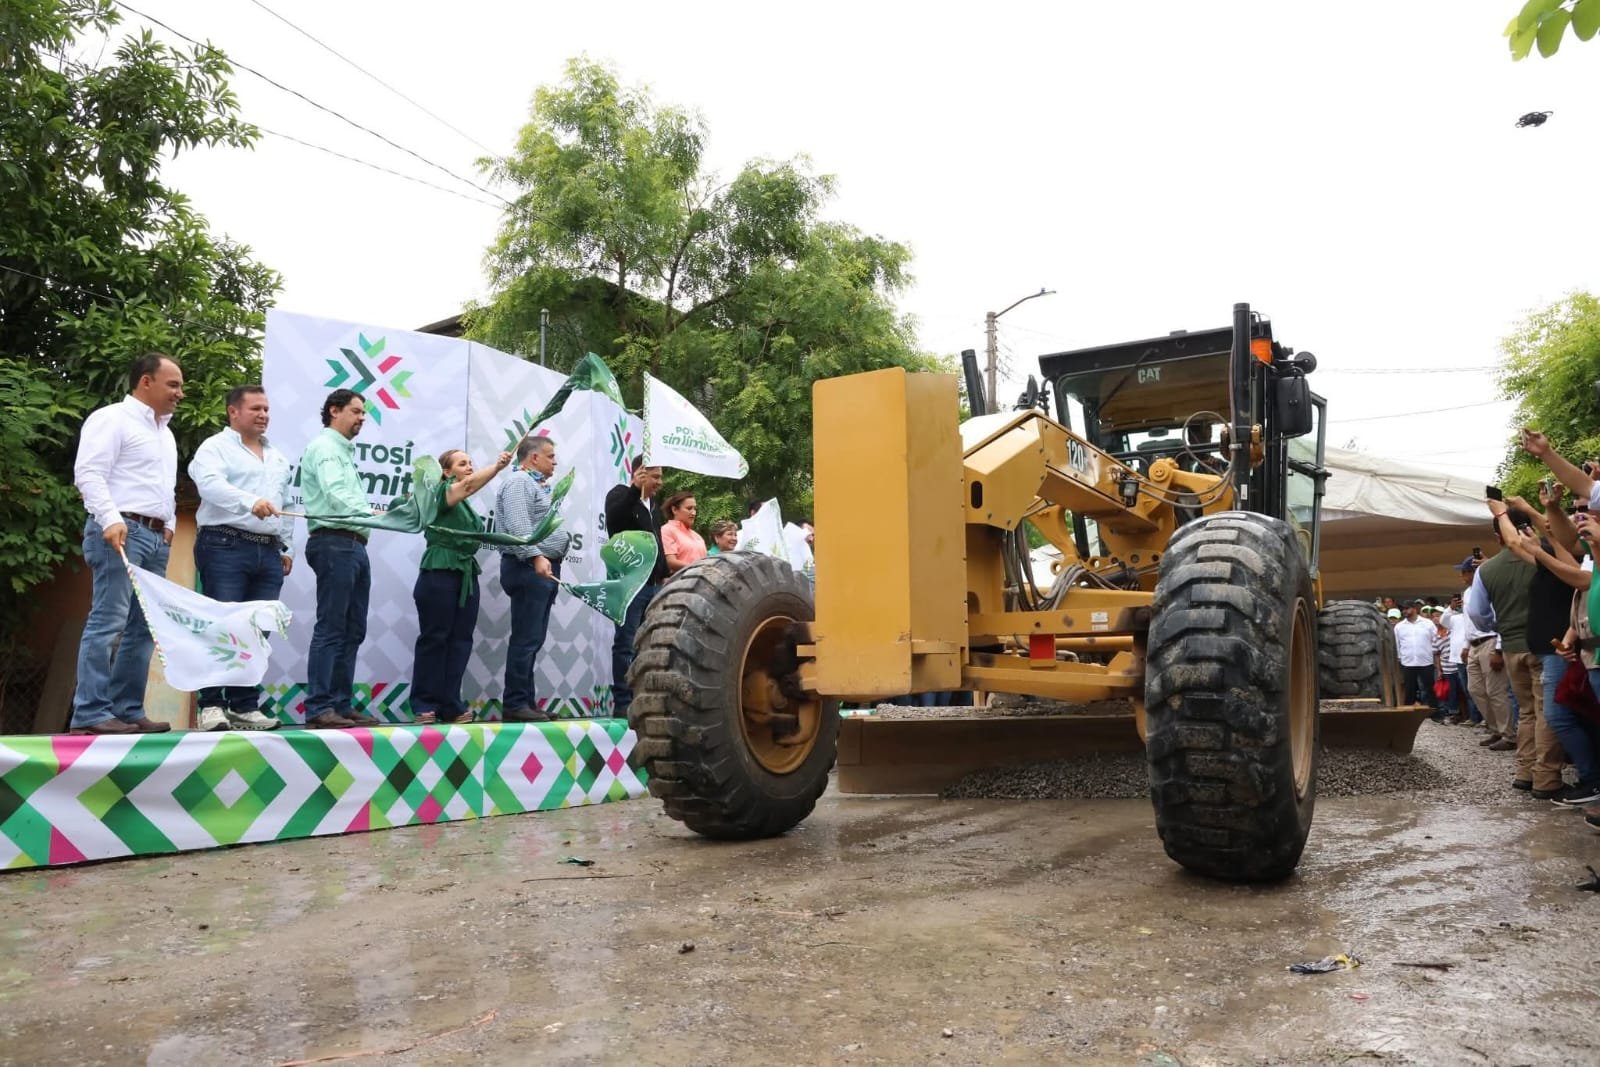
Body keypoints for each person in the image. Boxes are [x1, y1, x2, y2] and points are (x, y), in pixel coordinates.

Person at [67, 353, 184, 735]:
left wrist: (167, 526)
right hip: (120, 530)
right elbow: (89, 472)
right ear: (145, 382)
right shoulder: (111, 418)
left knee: (143, 627)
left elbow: (162, 487)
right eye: (173, 384)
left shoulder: (165, 433)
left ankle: (127, 709)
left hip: (155, 537)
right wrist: (112, 518)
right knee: (109, 622)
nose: (180, 393)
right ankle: (90, 712)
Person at [188, 385, 295, 731]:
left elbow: (287, 503)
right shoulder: (215, 447)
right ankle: (211, 705)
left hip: (268, 550)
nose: (263, 415)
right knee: (221, 625)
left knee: (258, 631)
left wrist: (287, 547)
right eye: (255, 409)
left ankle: (245, 706)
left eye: (266, 409)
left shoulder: (277, 456)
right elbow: (208, 485)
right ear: (233, 412)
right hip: (224, 544)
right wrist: (249, 501)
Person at [410, 447, 512, 725]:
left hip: (465, 574)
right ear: (446, 472)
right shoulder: (441, 492)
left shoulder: (465, 503)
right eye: (462, 463)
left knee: (460, 641)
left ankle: (450, 704)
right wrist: (497, 467)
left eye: (471, 462)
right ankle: (424, 704)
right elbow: (467, 485)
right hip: (439, 572)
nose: (469, 467)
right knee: (435, 638)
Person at [300, 389, 380, 730]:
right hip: (335, 542)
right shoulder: (326, 448)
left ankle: (340, 704)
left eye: (363, 412)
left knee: (353, 629)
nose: (362, 418)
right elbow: (336, 495)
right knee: (333, 627)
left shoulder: (343, 452)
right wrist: (376, 514)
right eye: (356, 411)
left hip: (353, 544)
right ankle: (320, 707)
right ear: (335, 411)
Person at [1469, 500, 1558, 795]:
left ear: (1498, 536)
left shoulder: (1486, 570)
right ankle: (1546, 778)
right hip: (1547, 644)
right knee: (1546, 712)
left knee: (1527, 712)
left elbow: (1478, 614)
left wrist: (1500, 628)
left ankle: (1524, 771)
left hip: (1510, 647)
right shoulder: (1547, 555)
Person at [496, 435, 571, 723]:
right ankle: (515, 703)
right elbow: (518, 527)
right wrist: (536, 556)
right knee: (526, 639)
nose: (555, 461)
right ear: (534, 458)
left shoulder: (535, 484)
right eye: (550, 456)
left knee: (534, 638)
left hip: (541, 567)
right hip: (528, 567)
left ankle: (526, 702)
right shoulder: (519, 483)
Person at [606, 460, 667, 718]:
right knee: (626, 643)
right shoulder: (620, 494)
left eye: (661, 477)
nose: (660, 482)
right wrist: (634, 490)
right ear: (639, 474)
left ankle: (643, 697)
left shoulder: (654, 506)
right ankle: (622, 701)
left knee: (648, 645)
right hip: (631, 583)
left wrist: (663, 574)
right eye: (655, 477)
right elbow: (614, 522)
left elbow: (657, 541)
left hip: (654, 586)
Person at [1393, 600, 1440, 711]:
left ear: (1414, 609)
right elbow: (1397, 644)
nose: (1404, 611)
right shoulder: (1399, 627)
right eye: (1403, 609)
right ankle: (1409, 712)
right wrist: (1400, 658)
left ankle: (1434, 712)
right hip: (1408, 662)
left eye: (1407, 608)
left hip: (1426, 661)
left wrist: (1431, 652)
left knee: (1429, 688)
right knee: (1410, 688)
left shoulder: (1427, 623)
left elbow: (1435, 640)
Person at [660, 491, 707, 574]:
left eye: (694, 509)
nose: (693, 513)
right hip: (679, 583)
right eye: (689, 508)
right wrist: (698, 567)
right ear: (674, 509)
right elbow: (670, 562)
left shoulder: (697, 536)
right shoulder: (667, 530)